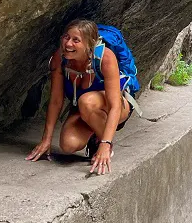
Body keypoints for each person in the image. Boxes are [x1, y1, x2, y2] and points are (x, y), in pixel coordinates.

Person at [26, 19, 134, 174]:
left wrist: (105, 143)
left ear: (89, 45)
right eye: (66, 37)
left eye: (76, 40)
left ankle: (101, 141)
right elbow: (56, 101)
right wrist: (46, 139)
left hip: (116, 107)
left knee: (86, 101)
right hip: (84, 108)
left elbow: (115, 106)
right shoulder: (60, 58)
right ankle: (94, 135)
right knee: (68, 145)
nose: (68, 44)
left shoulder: (105, 58)